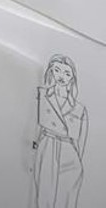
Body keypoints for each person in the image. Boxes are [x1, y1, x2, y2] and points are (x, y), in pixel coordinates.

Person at [34, 55, 88, 208]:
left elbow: (81, 143)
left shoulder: (79, 108)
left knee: (67, 200)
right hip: (47, 147)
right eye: (57, 70)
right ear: (51, 71)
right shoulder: (43, 95)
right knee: (44, 198)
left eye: (67, 73)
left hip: (69, 155)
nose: (61, 76)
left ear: (72, 78)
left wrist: (77, 160)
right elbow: (35, 128)